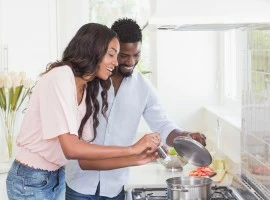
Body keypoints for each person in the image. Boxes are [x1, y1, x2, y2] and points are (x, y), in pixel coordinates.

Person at [5, 23, 161, 200]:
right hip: (30, 179)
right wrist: (132, 149)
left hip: (56, 177)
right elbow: (71, 149)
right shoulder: (61, 76)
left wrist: (138, 158)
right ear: (92, 50)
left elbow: (85, 161)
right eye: (111, 54)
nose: (116, 62)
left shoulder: (87, 89)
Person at [65, 18, 206, 200]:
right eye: (123, 55)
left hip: (115, 186)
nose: (131, 61)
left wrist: (185, 136)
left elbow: (163, 125)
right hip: (79, 183)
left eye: (136, 55)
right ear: (111, 50)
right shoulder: (88, 80)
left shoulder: (143, 88)